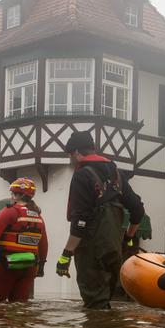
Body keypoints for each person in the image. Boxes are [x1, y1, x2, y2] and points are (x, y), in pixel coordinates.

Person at [56, 131, 145, 309]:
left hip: (92, 251)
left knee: (95, 308)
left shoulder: (82, 175)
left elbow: (80, 221)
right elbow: (137, 210)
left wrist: (66, 255)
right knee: (106, 304)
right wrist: (127, 239)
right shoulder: (117, 175)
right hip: (114, 251)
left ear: (75, 153)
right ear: (93, 149)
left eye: (69, 154)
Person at [0, 177, 48, 302]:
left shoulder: (10, 211)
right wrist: (41, 265)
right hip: (29, 266)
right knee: (19, 308)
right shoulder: (38, 216)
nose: (11, 197)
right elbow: (44, 244)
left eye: (12, 194)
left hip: (5, 265)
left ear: (17, 195)